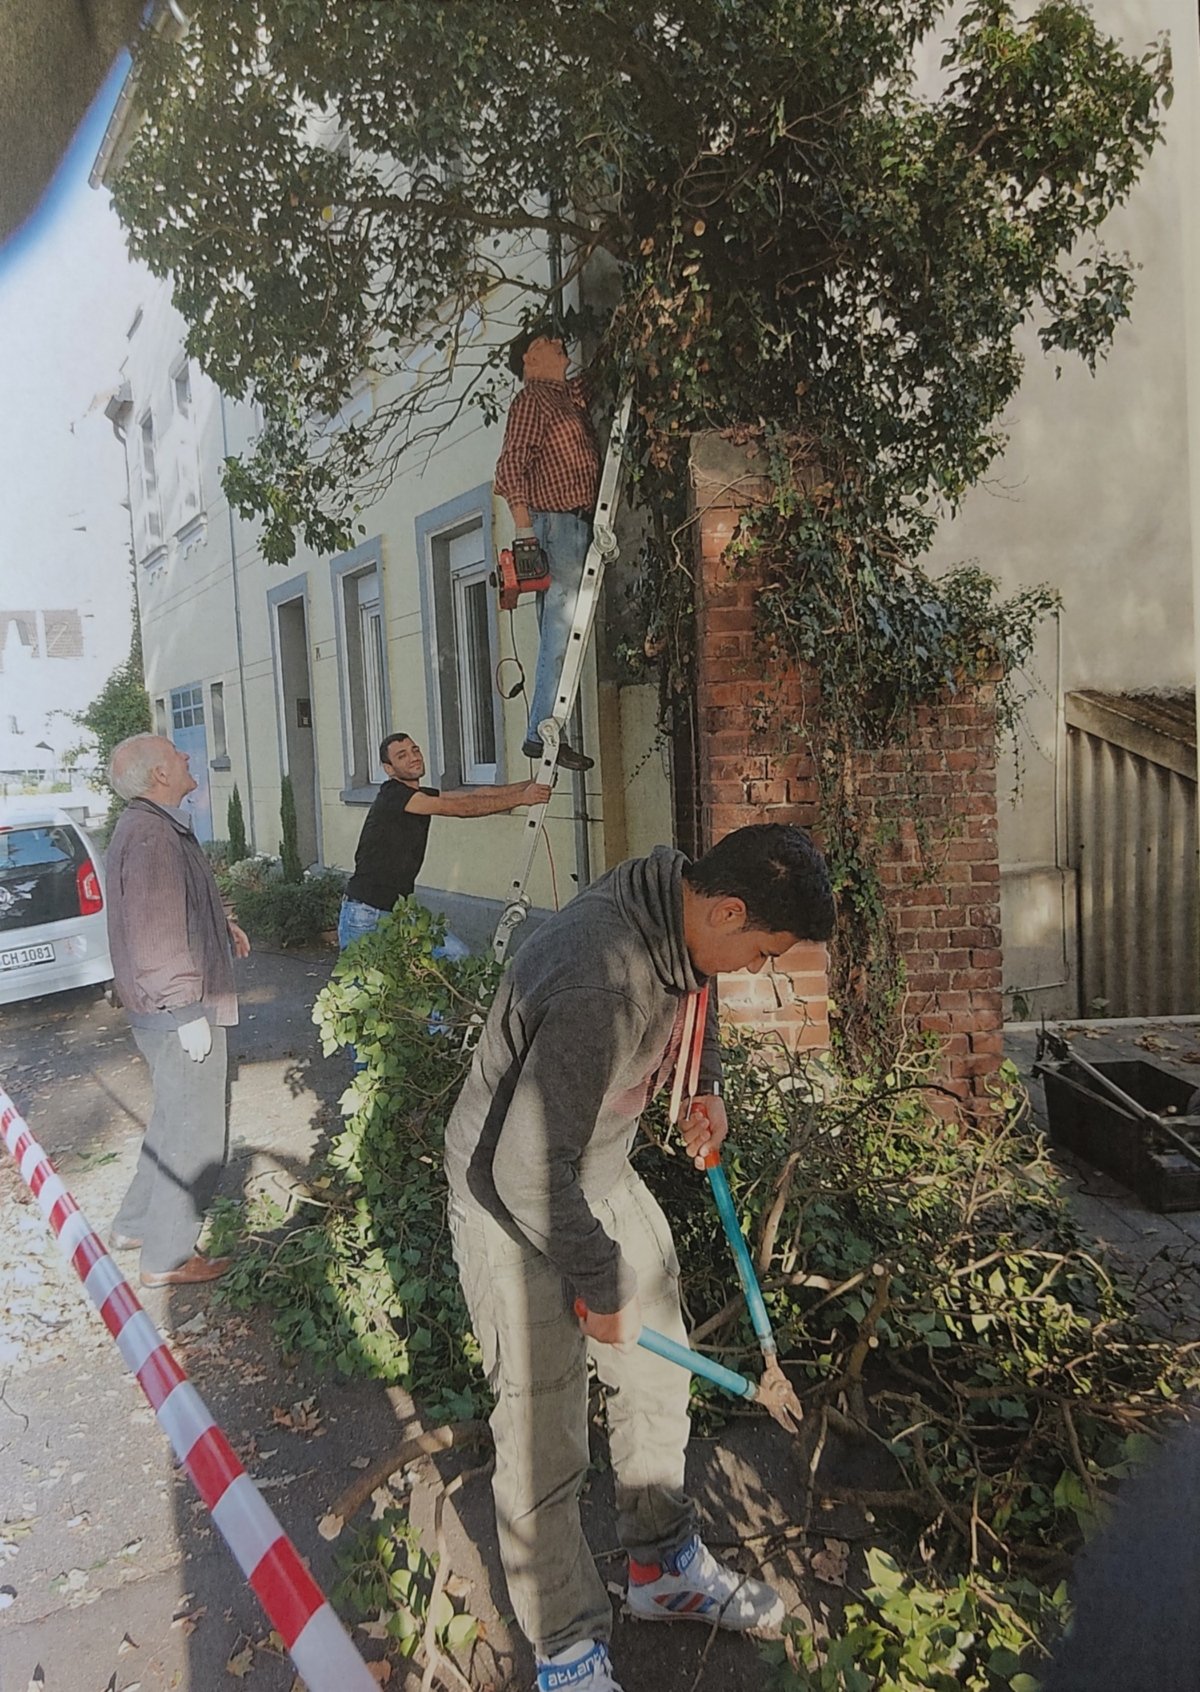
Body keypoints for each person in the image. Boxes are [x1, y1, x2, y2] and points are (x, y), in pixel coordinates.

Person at [443, 823, 836, 1692]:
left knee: (661, 1378)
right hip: (515, 1195)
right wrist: (598, 1279)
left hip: (599, 1167)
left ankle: (658, 1570)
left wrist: (704, 1087)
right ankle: (567, 1648)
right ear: (726, 909)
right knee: (545, 1436)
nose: (758, 969)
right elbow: (521, 1167)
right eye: (764, 953)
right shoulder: (599, 976)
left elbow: (695, 987)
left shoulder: (677, 901)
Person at [104, 733, 250, 1289]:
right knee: (196, 1134)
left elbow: (167, 906)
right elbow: (155, 931)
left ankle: (137, 1224)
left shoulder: (149, 826)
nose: (189, 756)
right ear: (159, 775)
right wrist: (187, 1007)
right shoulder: (152, 836)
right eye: (176, 754)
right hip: (176, 1009)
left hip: (163, 1007)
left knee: (171, 1120)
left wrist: (220, 925)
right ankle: (166, 1257)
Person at [494, 323, 601, 774]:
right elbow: (509, 468)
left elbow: (591, 380)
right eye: (547, 341)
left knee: (560, 633)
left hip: (572, 525)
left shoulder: (563, 397)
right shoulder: (532, 400)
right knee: (563, 630)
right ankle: (544, 730)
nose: (560, 342)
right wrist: (525, 532)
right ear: (529, 358)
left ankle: (546, 728)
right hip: (554, 525)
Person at [338, 731, 551, 951]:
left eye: (415, 750)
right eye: (402, 756)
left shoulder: (418, 794)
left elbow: (476, 795)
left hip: (398, 911)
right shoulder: (395, 796)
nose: (413, 757)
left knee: (456, 955)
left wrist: (531, 784)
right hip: (365, 914)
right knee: (364, 984)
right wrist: (523, 798)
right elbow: (461, 808)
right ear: (389, 769)